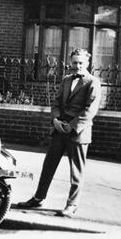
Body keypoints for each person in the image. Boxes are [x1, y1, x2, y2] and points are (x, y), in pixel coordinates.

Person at [17, 48, 102, 217]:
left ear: (87, 64)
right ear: (70, 63)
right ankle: (38, 197)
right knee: (48, 165)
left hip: (77, 132)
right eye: (74, 62)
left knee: (76, 171)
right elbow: (56, 103)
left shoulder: (93, 82)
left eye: (80, 63)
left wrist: (72, 125)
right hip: (59, 129)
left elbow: (90, 110)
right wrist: (55, 120)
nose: (77, 66)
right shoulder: (66, 80)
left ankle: (72, 205)